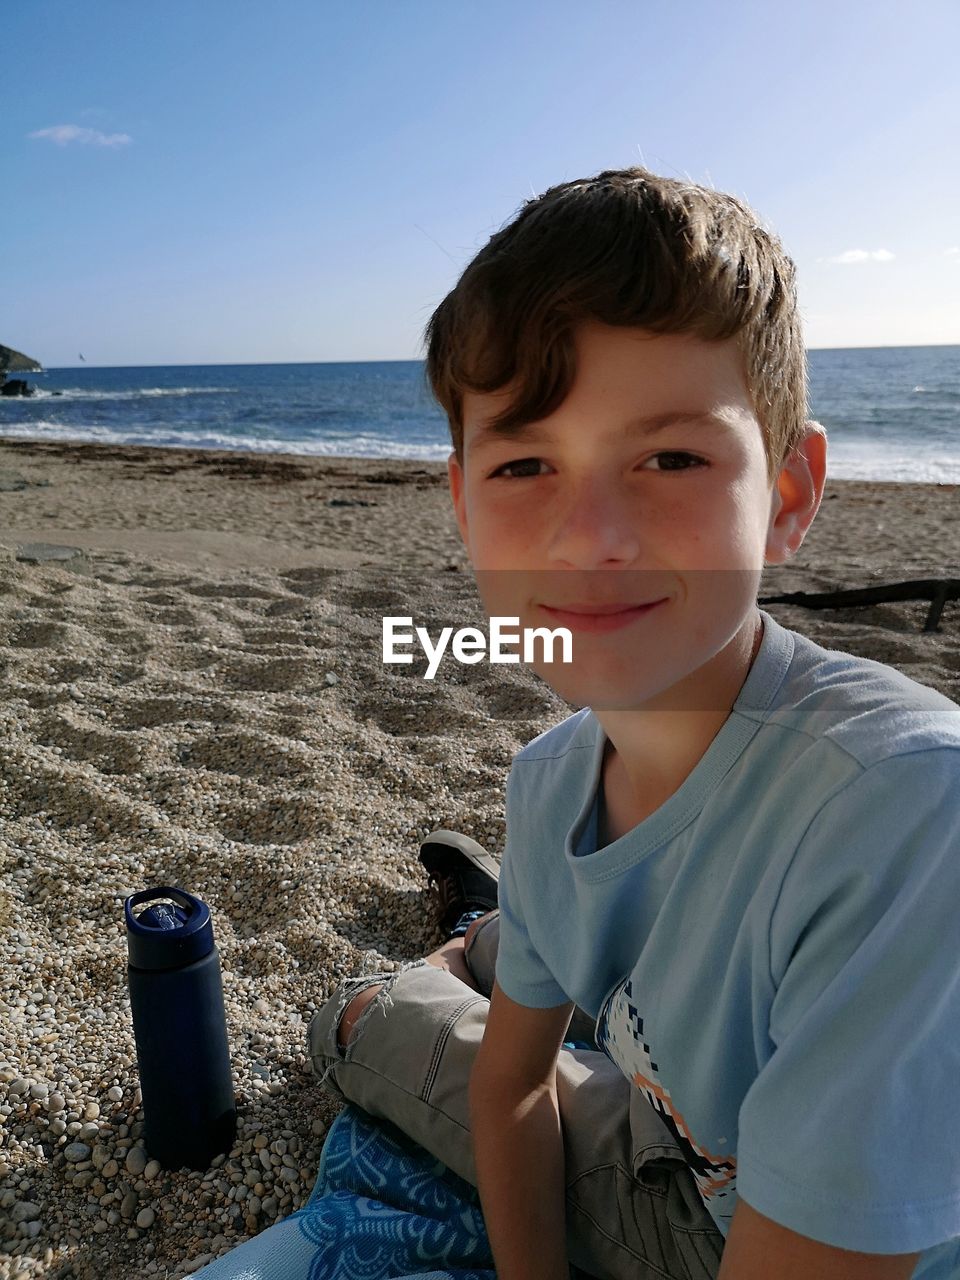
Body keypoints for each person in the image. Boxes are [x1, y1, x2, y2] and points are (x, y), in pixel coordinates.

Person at [309, 167, 960, 1280]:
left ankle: (484, 940)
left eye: (670, 457)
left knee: (362, 1016)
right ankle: (501, 937)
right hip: (681, 1124)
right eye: (524, 464)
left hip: (715, 1211)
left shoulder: (902, 810)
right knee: (513, 987)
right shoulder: (556, 778)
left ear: (790, 493)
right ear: (464, 501)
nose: (589, 537)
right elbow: (510, 1086)